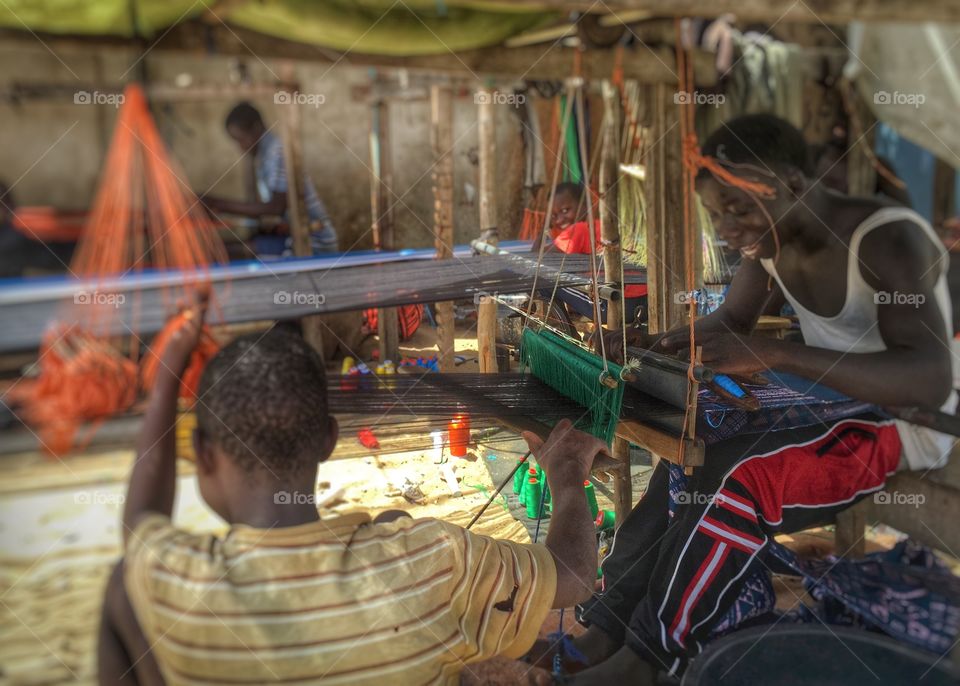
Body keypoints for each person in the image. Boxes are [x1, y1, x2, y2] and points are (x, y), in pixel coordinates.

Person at [551, 114, 955, 682]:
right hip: (829, 403)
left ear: (791, 181)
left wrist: (777, 354)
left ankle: (651, 658)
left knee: (739, 479)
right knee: (688, 454)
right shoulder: (770, 238)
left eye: (738, 209)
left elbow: (930, 378)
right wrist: (659, 345)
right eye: (717, 213)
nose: (727, 228)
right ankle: (610, 625)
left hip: (902, 424)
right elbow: (732, 321)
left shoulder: (886, 239)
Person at [97, 300, 607, 685]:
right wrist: (565, 473)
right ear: (328, 440)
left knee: (121, 590)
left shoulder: (171, 583)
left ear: (202, 455)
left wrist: (164, 380)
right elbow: (576, 576)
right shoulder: (433, 561)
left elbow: (140, 522)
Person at [201, 102, 338, 256]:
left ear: (257, 127)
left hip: (314, 242)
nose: (240, 147)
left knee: (223, 250)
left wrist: (216, 204)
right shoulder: (265, 155)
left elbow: (276, 207)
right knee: (236, 245)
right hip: (291, 235)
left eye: (241, 139)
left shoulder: (277, 151)